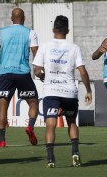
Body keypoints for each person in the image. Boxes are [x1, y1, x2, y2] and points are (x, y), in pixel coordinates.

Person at [33, 15, 92, 168]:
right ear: (68, 30)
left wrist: (44, 76)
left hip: (51, 91)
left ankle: (51, 158)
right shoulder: (74, 48)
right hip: (69, 93)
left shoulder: (45, 46)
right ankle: (75, 153)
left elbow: (37, 70)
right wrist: (88, 90)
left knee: (50, 125)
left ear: (54, 29)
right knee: (71, 122)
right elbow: (83, 72)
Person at [0, 8, 39, 147]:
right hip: (23, 73)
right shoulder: (30, 33)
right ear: (24, 18)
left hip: (6, 74)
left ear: (11, 18)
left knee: (2, 107)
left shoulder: (2, 32)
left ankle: (1, 140)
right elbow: (37, 54)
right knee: (33, 103)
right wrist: (39, 70)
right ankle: (30, 127)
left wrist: (1, 66)